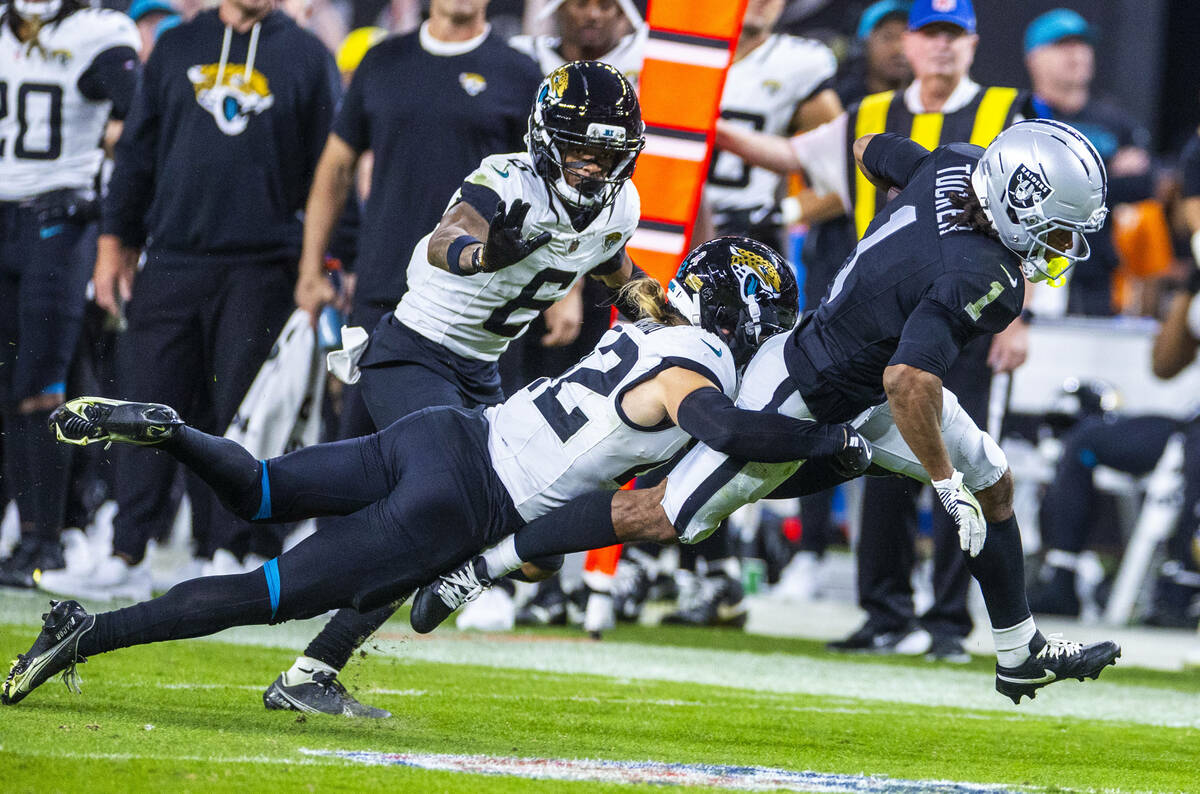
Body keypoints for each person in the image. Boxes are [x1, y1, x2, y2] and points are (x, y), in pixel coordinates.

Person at [418, 120, 1123, 705]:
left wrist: (897, 240)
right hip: (800, 386)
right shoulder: (986, 275)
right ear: (1015, 200)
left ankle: (1017, 651)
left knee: (994, 480)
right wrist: (942, 484)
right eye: (1057, 230)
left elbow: (868, 149)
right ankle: (482, 568)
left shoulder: (955, 165)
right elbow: (909, 378)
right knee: (661, 514)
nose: (1062, 248)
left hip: (864, 382)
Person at [1, 237, 867, 708]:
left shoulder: (646, 321)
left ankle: (175, 432)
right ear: (745, 320)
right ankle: (89, 632)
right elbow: (733, 437)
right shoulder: (694, 370)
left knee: (263, 485)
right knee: (264, 592)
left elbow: (633, 287)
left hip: (447, 432)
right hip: (468, 496)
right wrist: (836, 447)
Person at [263, 61, 648, 718]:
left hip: (482, 370)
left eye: (607, 154)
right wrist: (485, 256)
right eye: (581, 150)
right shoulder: (508, 177)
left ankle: (311, 668)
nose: (591, 167)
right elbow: (451, 236)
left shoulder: (621, 208)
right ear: (548, 140)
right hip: (418, 351)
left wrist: (678, 326)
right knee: (439, 513)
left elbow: (620, 277)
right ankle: (265, 536)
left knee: (470, 528)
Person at [717, 0, 1032, 663]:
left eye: (955, 35)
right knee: (883, 461)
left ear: (974, 43)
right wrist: (702, 119)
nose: (942, 48)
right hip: (880, 313)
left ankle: (949, 622)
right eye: (930, 34)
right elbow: (793, 153)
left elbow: (1032, 224)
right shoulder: (870, 112)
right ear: (908, 43)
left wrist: (1021, 316)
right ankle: (885, 611)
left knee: (968, 460)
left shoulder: (1010, 110)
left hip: (967, 317)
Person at [34, 0, 340, 601]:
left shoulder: (307, 56)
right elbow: (138, 153)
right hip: (171, 257)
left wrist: (328, 263)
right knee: (141, 403)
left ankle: (230, 549)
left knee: (244, 414)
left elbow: (328, 172)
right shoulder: (176, 46)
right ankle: (126, 550)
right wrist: (113, 242)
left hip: (263, 265)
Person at [0, 0, 140, 589]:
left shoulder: (98, 31)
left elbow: (141, 120)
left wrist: (102, 198)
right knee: (10, 381)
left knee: (39, 383)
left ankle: (46, 539)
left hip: (59, 218)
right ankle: (33, 531)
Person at [1023, 8, 1153, 318]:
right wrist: (1108, 172)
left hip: (1096, 271)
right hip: (1030, 268)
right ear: (1034, 58)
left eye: (1082, 44)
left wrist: (1063, 176)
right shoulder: (1022, 114)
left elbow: (1144, 184)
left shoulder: (1114, 121)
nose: (1077, 54)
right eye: (1063, 45)